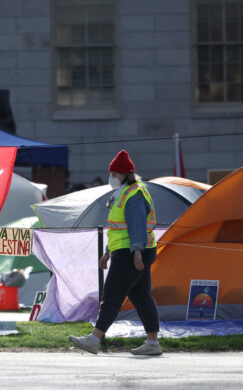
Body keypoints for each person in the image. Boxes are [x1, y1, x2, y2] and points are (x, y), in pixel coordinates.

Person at [69, 150, 162, 356]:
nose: (110, 178)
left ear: (123, 174)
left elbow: (136, 225)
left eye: (113, 174)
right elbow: (117, 228)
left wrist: (137, 252)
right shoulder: (124, 192)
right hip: (131, 251)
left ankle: (94, 339)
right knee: (142, 296)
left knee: (112, 295)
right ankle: (153, 343)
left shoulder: (134, 194)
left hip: (132, 253)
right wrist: (107, 252)